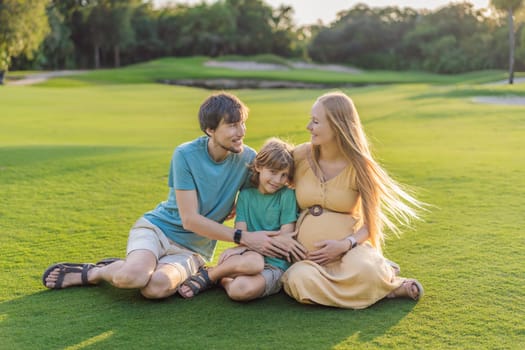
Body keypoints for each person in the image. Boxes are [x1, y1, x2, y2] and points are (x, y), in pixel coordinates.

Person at [42, 92, 293, 299]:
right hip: (158, 229)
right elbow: (190, 220)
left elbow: (269, 177)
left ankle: (138, 265)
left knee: (156, 288)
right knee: (132, 277)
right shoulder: (185, 154)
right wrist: (244, 238)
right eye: (231, 125)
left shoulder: (248, 158)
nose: (241, 131)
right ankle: (98, 272)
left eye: (242, 123)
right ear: (210, 130)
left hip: (192, 251)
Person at [281, 91, 424, 309]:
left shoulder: (360, 167)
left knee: (365, 270)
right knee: (298, 281)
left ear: (337, 126)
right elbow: (268, 177)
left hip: (350, 251)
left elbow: (371, 224)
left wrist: (342, 245)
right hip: (309, 260)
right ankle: (385, 287)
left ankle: (381, 279)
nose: (308, 126)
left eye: (316, 121)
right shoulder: (300, 155)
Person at [177, 138, 305, 300]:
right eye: (273, 172)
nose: (277, 180)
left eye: (284, 175)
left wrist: (248, 243)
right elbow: (242, 234)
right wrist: (241, 247)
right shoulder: (245, 196)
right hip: (247, 257)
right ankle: (209, 276)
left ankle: (218, 277)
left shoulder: (286, 195)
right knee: (254, 262)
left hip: (275, 264)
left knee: (240, 290)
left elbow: (285, 239)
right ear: (259, 167)